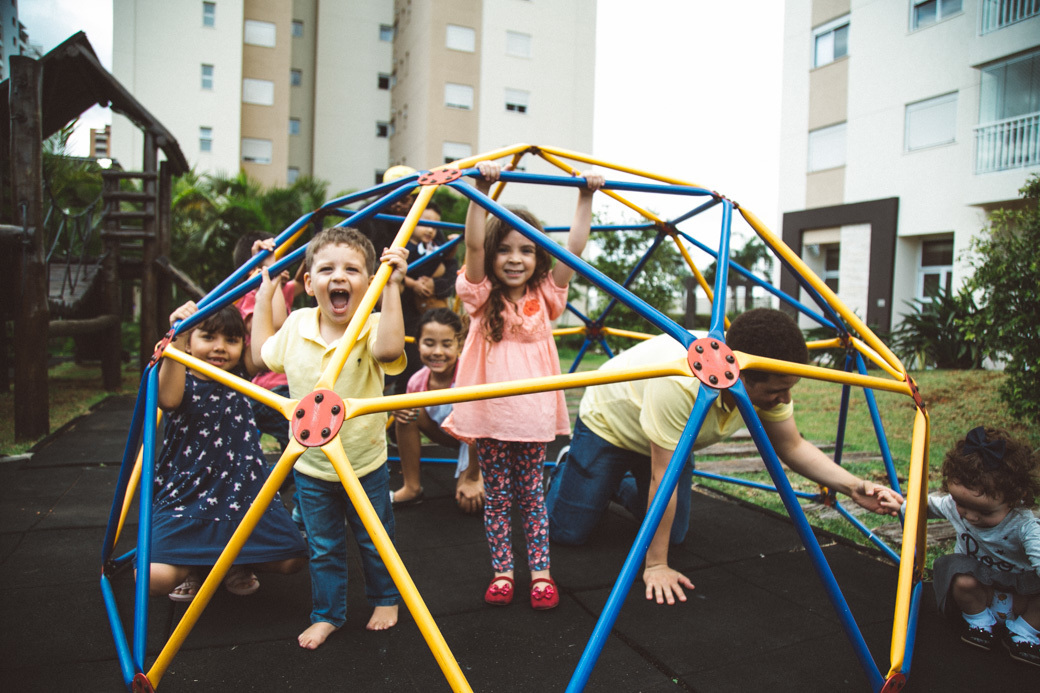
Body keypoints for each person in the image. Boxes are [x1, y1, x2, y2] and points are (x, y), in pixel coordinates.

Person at [545, 308, 905, 606]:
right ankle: (569, 466)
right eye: (777, 391)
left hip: (666, 440)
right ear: (739, 377)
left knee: (675, 533)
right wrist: (655, 565)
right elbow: (664, 479)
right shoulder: (682, 382)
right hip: (611, 423)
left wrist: (853, 486)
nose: (785, 400)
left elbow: (792, 446)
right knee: (568, 532)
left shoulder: (763, 379)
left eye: (789, 389)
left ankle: (610, 482)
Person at [443, 161, 605, 610]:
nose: (515, 259)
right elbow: (473, 243)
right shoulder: (480, 296)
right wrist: (480, 189)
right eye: (505, 250)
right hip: (491, 414)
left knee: (532, 496)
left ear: (539, 257)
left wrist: (586, 196)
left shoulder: (546, 295)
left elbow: (575, 247)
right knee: (497, 498)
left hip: (531, 416)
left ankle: (540, 574)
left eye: (527, 250)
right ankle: (502, 572)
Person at [251, 226, 409, 649]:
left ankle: (385, 598)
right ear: (308, 283)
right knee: (322, 546)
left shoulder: (371, 326)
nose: (339, 276)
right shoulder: (297, 324)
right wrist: (266, 290)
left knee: (374, 539)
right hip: (311, 465)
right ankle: (327, 614)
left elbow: (390, 351)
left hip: (365, 464)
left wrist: (392, 286)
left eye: (352, 270)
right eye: (326, 270)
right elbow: (260, 354)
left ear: (369, 283)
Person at [149, 302, 307, 603]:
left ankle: (234, 561)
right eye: (208, 337)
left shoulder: (241, 376)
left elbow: (260, 340)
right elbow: (167, 400)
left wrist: (267, 283)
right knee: (153, 579)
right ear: (189, 343)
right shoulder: (181, 378)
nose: (220, 347)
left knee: (294, 558)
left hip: (242, 493)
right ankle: (196, 565)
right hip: (189, 495)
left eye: (231, 340)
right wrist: (176, 336)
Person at [923, 426, 1040, 667]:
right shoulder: (954, 505)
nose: (970, 516)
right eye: (961, 504)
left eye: (985, 512)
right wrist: (896, 504)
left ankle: (1024, 631)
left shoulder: (1024, 525)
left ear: (1014, 499)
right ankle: (979, 622)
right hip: (979, 593)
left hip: (1020, 596)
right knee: (960, 578)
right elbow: (923, 506)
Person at [391, 307, 483, 513]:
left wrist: (474, 477)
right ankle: (411, 487)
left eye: (446, 344)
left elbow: (482, 428)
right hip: (448, 434)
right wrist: (399, 411)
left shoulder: (469, 376)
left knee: (470, 502)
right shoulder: (417, 382)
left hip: (476, 442)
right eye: (429, 343)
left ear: (459, 345)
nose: (437, 352)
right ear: (418, 345)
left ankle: (483, 475)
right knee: (406, 410)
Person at [232, 233, 305, 451]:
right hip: (268, 390)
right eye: (276, 260)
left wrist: (312, 250)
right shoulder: (249, 296)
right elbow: (276, 324)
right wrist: (271, 271)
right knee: (304, 438)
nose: (283, 267)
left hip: (289, 384)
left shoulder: (281, 291)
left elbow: (301, 282)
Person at [396, 202, 459, 394]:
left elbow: (448, 270)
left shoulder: (433, 247)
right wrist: (414, 284)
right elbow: (396, 271)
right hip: (409, 313)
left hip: (431, 310)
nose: (430, 230)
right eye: (425, 223)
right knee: (411, 361)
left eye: (435, 226)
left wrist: (452, 246)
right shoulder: (404, 247)